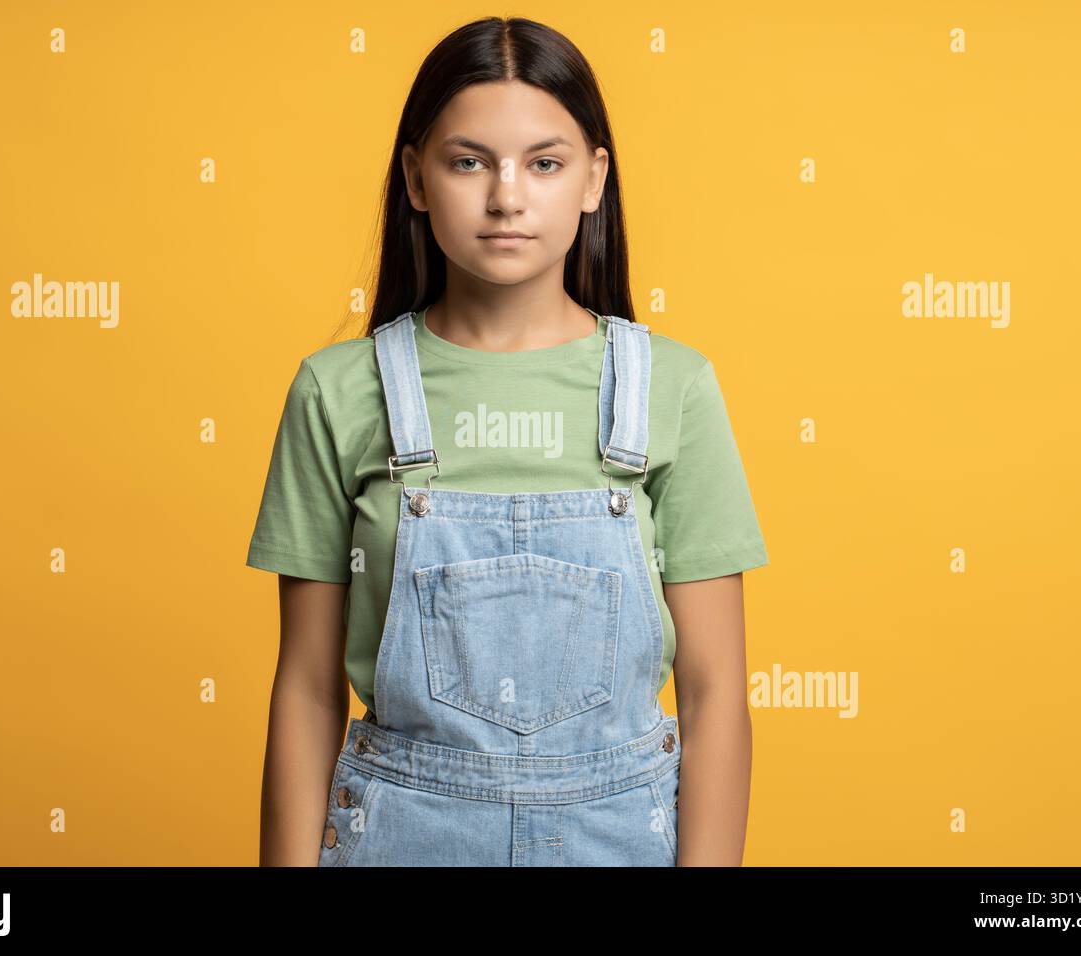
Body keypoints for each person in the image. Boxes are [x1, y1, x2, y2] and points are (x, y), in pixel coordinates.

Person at [246, 16, 768, 866]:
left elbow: (715, 696)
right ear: (417, 178)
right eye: (468, 161)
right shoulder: (337, 392)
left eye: (545, 162)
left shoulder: (672, 389)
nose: (507, 196)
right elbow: (306, 691)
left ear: (594, 179)